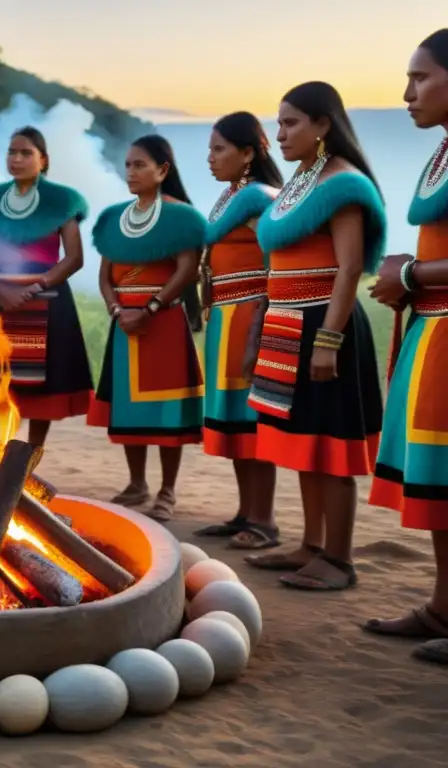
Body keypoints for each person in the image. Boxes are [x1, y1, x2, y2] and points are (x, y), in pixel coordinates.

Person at [243, 81, 385, 591]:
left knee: (331, 441)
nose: (279, 133)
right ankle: (311, 544)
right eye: (278, 122)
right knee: (302, 441)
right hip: (288, 323)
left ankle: (340, 558)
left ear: (324, 125)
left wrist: (329, 341)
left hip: (327, 322)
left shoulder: (342, 184)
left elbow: (348, 271)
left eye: (292, 122)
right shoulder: (301, 181)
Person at [364, 29, 448, 662]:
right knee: (438, 476)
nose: (407, 92)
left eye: (421, 78)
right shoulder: (442, 152)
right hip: (434, 330)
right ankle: (444, 607)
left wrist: (411, 275)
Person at [88, 135, 206, 521]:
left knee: (167, 408)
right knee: (129, 407)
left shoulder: (181, 217)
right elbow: (106, 274)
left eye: (140, 164)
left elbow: (187, 268)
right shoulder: (113, 219)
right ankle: (137, 483)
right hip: (125, 321)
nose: (131, 172)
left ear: (163, 170)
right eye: (128, 165)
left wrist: (152, 306)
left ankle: (167, 490)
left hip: (164, 320)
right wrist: (116, 307)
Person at [0, 126, 93, 448]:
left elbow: (74, 258)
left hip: (48, 301)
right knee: (5, 380)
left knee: (42, 387)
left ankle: (31, 455)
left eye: (25, 153)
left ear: (43, 160)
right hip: (2, 297)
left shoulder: (61, 202)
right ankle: (6, 448)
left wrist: (36, 286)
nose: (17, 159)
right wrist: (1, 291)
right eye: (12, 152)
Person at [193, 112, 283, 549]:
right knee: (233, 418)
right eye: (210, 149)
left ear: (248, 153)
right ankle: (246, 512)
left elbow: (277, 268)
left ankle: (265, 520)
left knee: (253, 418)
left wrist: (258, 334)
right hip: (224, 318)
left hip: (249, 315)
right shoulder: (232, 197)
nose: (210, 158)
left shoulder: (261, 200)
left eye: (219, 149)